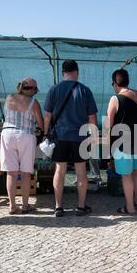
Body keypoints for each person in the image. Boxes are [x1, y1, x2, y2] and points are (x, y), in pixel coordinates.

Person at [44, 60, 98, 217]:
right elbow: (92, 117)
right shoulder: (85, 90)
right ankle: (81, 207)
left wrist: (46, 133)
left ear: (63, 73)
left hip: (60, 136)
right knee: (81, 171)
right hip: (80, 137)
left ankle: (58, 207)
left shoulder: (54, 90)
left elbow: (47, 116)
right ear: (77, 72)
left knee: (60, 170)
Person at [0, 77, 44, 214]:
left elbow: (5, 115)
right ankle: (25, 205)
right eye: (34, 89)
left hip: (7, 134)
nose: (36, 91)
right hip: (26, 135)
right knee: (25, 173)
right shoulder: (33, 103)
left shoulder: (9, 98)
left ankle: (12, 206)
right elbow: (41, 124)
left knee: (11, 173)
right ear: (28, 89)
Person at [107, 69, 137, 215]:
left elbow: (109, 125)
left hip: (123, 142)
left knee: (126, 175)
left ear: (115, 84)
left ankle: (129, 207)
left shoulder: (115, 99)